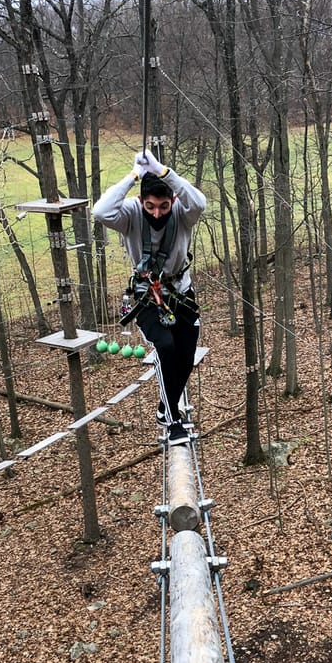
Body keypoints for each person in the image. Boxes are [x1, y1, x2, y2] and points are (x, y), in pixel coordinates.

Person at [92, 149, 206, 446]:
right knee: (166, 347)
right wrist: (133, 176)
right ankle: (172, 421)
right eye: (151, 206)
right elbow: (101, 211)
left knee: (185, 357)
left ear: (173, 202)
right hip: (146, 297)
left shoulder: (182, 213)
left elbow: (199, 202)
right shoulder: (129, 213)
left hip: (181, 293)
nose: (157, 213)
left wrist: (166, 173)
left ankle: (164, 407)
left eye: (164, 206)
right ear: (141, 202)